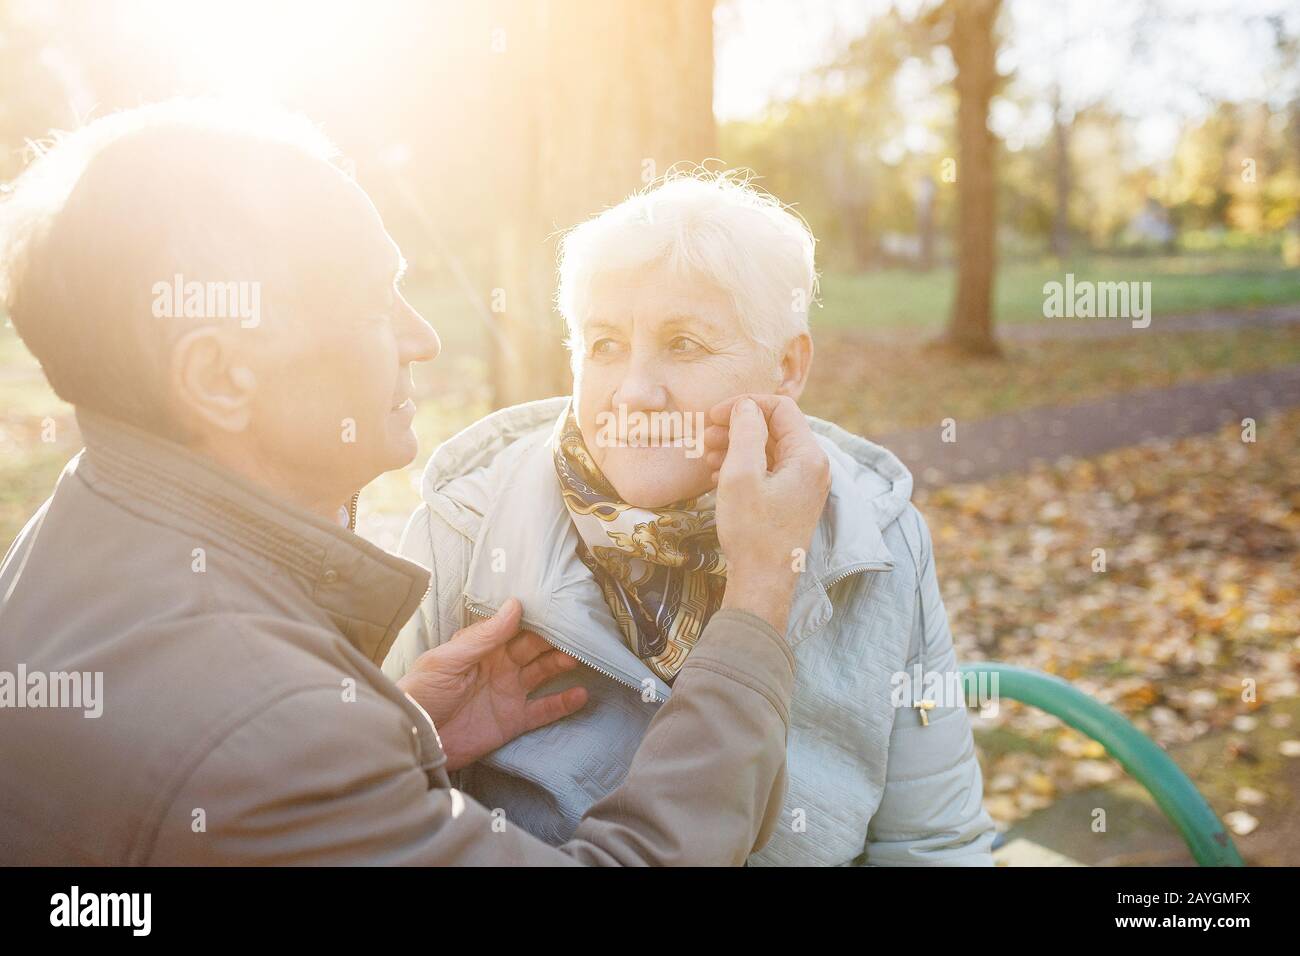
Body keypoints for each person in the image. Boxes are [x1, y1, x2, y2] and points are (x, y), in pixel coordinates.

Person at [0, 102, 830, 865]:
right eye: (374, 304)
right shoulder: (270, 731)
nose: (422, 338)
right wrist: (757, 602)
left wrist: (402, 730)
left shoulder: (79, 527)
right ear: (219, 376)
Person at [385, 172, 997, 865]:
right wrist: (409, 745)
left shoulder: (879, 536)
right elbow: (383, 823)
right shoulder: (466, 526)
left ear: (788, 366)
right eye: (606, 344)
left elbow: (935, 842)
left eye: (684, 344)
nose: (636, 393)